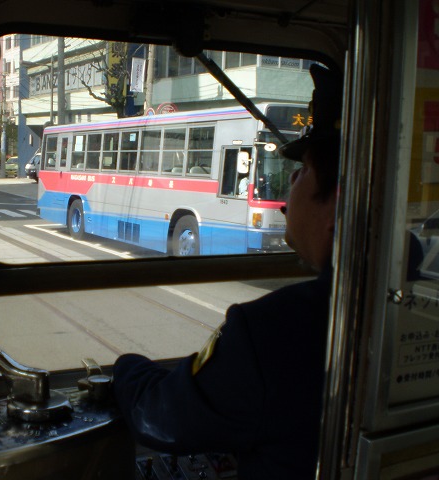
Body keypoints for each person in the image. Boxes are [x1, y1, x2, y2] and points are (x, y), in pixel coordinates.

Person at [111, 63, 343, 480]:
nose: (291, 181)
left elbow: (163, 420)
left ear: (338, 201)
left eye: (304, 169)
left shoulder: (272, 330)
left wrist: (126, 367)